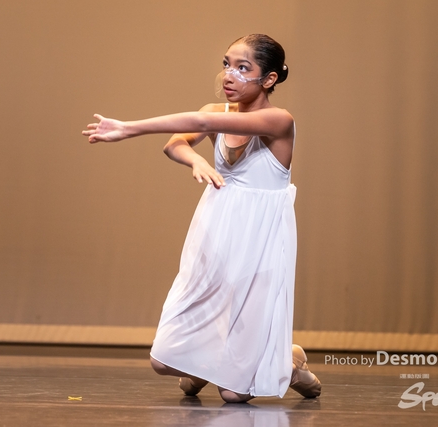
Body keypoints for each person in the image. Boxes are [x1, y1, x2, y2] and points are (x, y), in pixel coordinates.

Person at [82, 34, 321, 403]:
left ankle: (288, 362)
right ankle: (212, 364)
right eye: (227, 64)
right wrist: (196, 160)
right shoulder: (218, 111)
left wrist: (130, 128)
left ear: (269, 79)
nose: (229, 75)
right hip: (217, 228)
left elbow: (199, 119)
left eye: (243, 68)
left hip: (261, 239)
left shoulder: (278, 120)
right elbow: (175, 143)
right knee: (163, 360)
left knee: (234, 395)